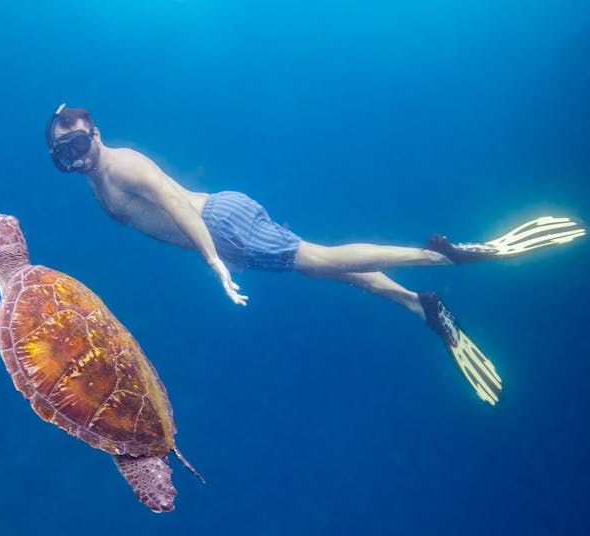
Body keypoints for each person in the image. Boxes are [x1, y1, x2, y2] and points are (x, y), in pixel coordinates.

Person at [45, 103, 585, 405]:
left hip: (218, 227)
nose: (77, 156)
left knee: (323, 260)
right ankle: (422, 306)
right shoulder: (99, 178)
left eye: (81, 143)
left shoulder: (123, 166)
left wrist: (212, 260)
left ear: (98, 134)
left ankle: (442, 257)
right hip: (227, 229)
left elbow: (174, 204)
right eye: (64, 153)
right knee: (339, 272)